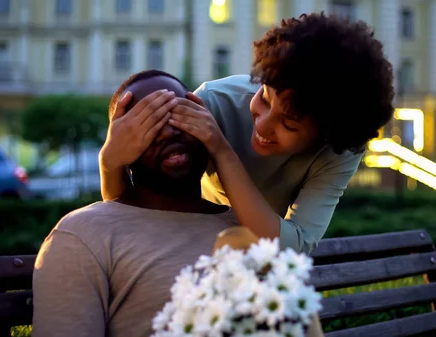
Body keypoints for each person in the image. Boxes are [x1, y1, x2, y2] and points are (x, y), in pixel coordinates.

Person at [99, 13, 395, 254]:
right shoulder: (213, 103)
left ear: (327, 134)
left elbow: (293, 247)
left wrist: (222, 151)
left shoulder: (337, 153)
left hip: (261, 270)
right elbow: (136, 215)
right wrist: (111, 162)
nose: (263, 125)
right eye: (264, 98)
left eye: (289, 124)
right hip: (196, 254)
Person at [32, 70, 240, 337]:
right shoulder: (82, 234)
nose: (167, 132)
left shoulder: (246, 226)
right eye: (148, 123)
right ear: (120, 144)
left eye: (178, 114)